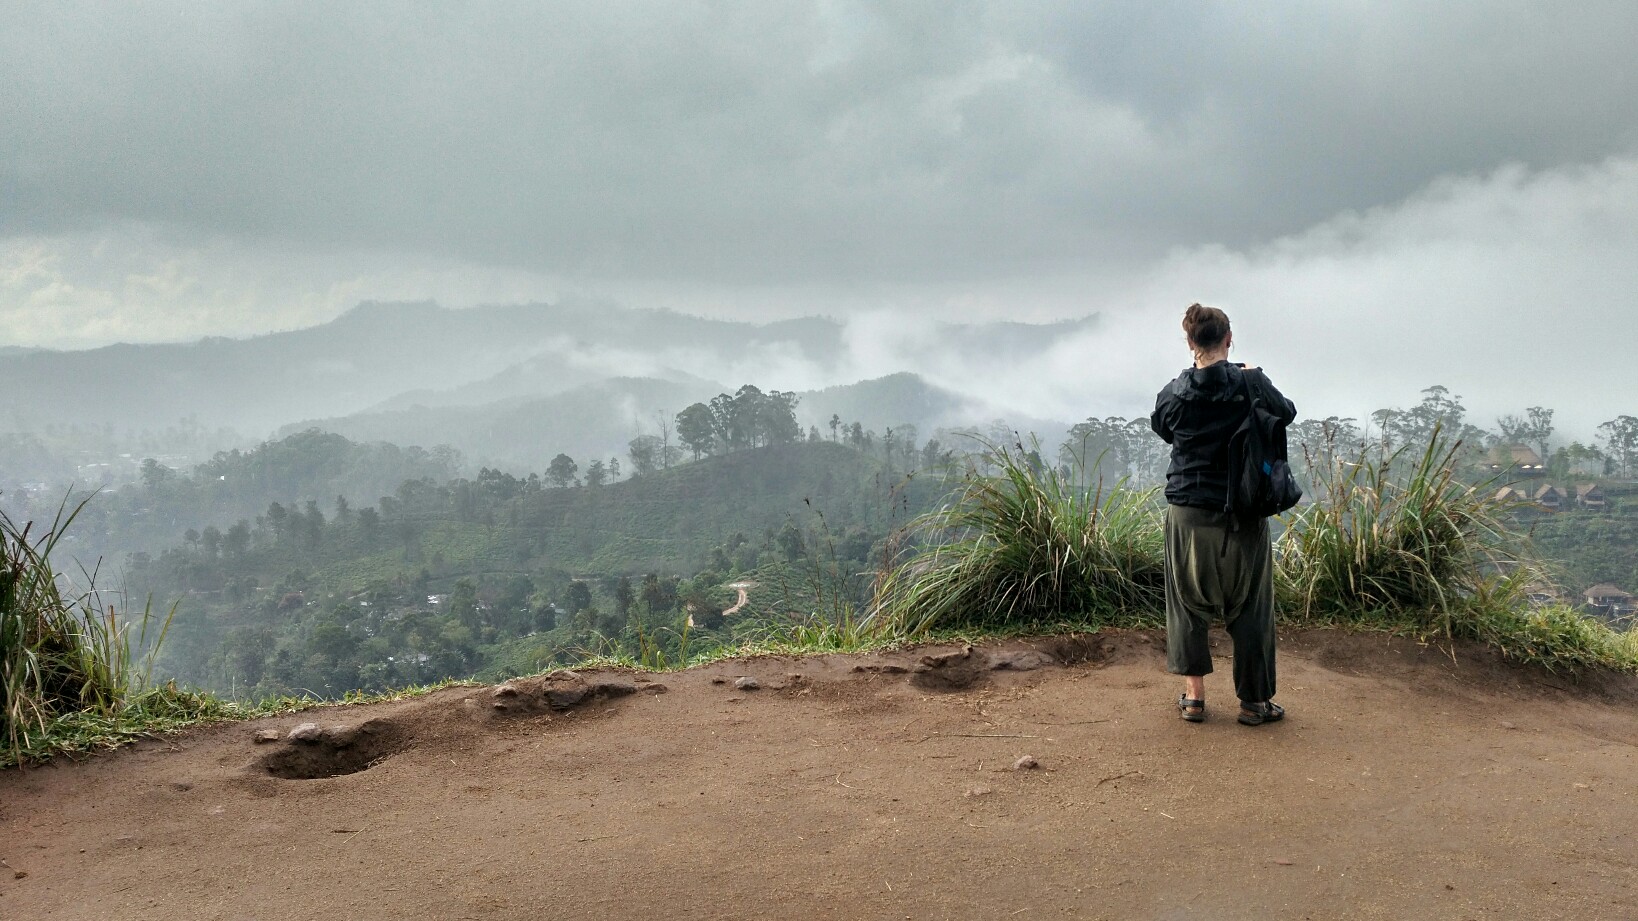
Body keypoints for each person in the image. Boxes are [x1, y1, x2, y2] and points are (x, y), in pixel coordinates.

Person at [1149, 303, 1297, 726]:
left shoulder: (1175, 392)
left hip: (1188, 513)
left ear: (1190, 342)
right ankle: (1254, 702)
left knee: (1186, 604)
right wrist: (1252, 378)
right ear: (1229, 340)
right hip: (1243, 513)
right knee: (1252, 607)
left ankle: (1194, 699)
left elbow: (1163, 427)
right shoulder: (1251, 383)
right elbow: (1285, 413)